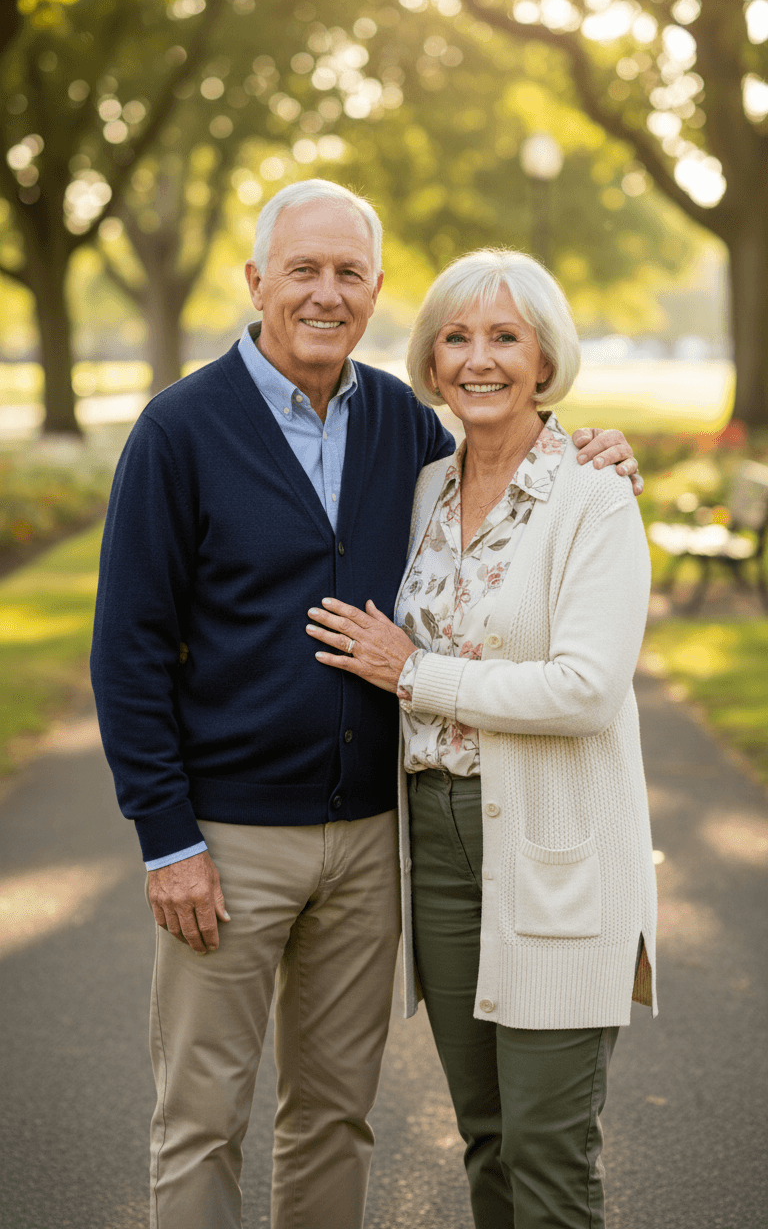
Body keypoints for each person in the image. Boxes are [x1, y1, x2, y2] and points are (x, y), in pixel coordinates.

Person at [91, 181, 643, 1229]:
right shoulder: (180, 429)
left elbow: (516, 472)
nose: (326, 293)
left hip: (370, 844)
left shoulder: (403, 423)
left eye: (349, 273)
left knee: (335, 1117)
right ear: (257, 282)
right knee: (202, 1118)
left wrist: (595, 453)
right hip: (228, 840)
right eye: (303, 269)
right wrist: (167, 839)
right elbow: (126, 651)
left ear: (379, 292)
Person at [307, 248, 657, 1229]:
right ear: (429, 361)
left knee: (550, 1152)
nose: (480, 359)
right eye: (456, 337)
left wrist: (413, 672)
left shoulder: (594, 495)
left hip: (557, 851)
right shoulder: (420, 492)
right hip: (442, 850)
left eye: (505, 336)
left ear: (545, 358)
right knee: (488, 1138)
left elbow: (586, 690)